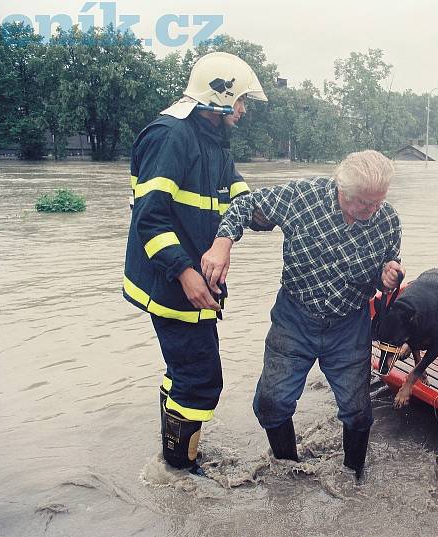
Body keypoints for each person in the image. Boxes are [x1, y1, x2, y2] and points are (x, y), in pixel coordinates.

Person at [201, 150, 404, 480]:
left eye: (379, 201)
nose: (373, 210)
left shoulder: (388, 220)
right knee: (271, 402)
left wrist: (388, 273)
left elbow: (388, 263)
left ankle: (354, 476)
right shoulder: (302, 198)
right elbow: (243, 206)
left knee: (357, 411)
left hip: (349, 323)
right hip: (295, 317)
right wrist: (223, 242)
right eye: (365, 203)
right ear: (343, 189)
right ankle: (289, 468)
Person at [123, 52, 269, 472]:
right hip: (173, 280)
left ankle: (174, 453)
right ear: (219, 98)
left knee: (185, 371)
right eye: (240, 101)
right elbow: (148, 219)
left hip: (193, 278)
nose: (242, 110)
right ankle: (179, 471)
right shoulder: (170, 137)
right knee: (203, 380)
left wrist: (277, 212)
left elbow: (241, 198)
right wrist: (186, 273)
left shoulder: (213, 141)